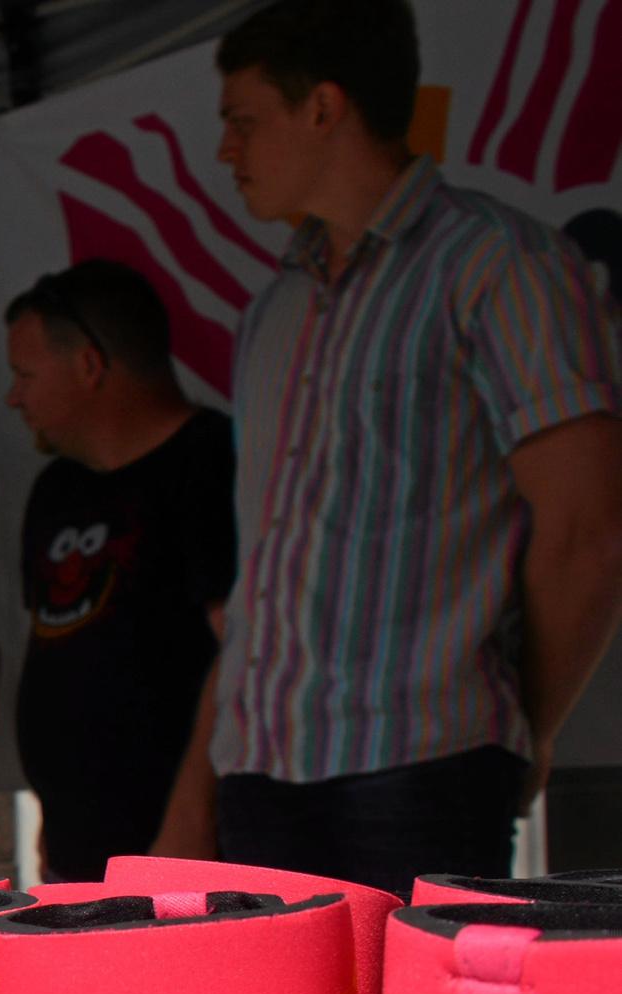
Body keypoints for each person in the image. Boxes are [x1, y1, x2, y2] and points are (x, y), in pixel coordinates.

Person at [205, 0, 622, 894]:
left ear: (323, 108)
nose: (225, 153)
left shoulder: (498, 264)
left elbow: (588, 532)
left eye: (243, 122)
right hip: (260, 766)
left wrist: (523, 729)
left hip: (423, 759)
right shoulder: (274, 309)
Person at [3, 261, 237, 880]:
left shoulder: (212, 461)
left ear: (88, 365)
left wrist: (192, 817)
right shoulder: (55, 487)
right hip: (80, 849)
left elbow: (241, 651)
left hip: (179, 848)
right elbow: (61, 654)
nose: (13, 396)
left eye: (25, 375)